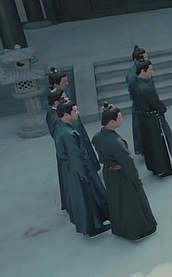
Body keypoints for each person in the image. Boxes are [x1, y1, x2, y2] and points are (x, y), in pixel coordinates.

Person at [92, 103, 157, 241]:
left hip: (109, 173)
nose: (122, 119)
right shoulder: (117, 143)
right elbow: (128, 165)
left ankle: (120, 228)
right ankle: (138, 231)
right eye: (119, 117)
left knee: (116, 202)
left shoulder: (97, 137)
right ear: (112, 122)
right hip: (122, 175)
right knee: (132, 202)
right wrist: (137, 181)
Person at [54, 101, 110, 237]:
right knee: (87, 197)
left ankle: (96, 222)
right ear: (66, 114)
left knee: (86, 196)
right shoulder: (68, 133)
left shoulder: (62, 128)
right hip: (78, 168)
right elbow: (74, 156)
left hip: (73, 168)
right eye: (75, 110)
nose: (77, 113)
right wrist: (83, 174)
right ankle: (94, 226)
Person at [131, 60, 172, 177]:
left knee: (149, 144)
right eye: (150, 69)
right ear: (143, 71)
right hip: (153, 118)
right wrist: (163, 108)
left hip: (143, 117)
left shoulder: (133, 85)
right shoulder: (146, 88)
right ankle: (165, 168)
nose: (152, 72)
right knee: (160, 144)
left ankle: (155, 167)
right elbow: (156, 103)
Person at [46, 89, 68, 211]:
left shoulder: (55, 113)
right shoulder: (54, 116)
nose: (65, 99)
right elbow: (57, 135)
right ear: (56, 102)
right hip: (65, 151)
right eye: (62, 98)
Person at [126, 45, 148, 155]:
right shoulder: (132, 75)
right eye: (144, 57)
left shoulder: (145, 68)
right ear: (136, 60)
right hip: (140, 104)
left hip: (146, 102)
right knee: (141, 128)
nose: (146, 59)